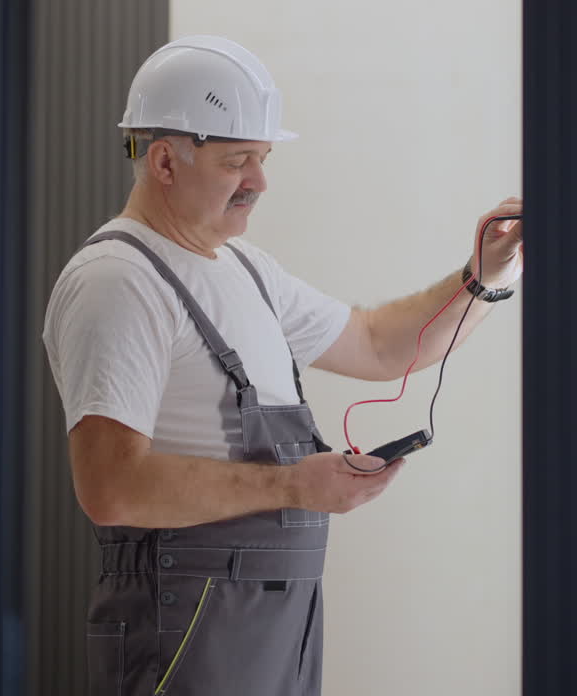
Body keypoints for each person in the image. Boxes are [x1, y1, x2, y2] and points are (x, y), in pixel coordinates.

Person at [42, 35, 524, 696]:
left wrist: (485, 276)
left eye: (263, 159)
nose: (260, 182)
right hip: (184, 628)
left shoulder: (247, 270)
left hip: (273, 624)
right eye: (240, 160)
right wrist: (295, 487)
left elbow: (381, 345)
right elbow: (111, 488)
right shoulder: (117, 282)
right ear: (163, 161)